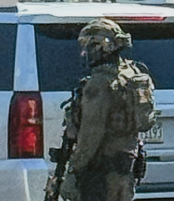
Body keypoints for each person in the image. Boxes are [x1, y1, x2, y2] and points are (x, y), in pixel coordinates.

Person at [61, 19, 156, 201]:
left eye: (89, 46)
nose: (84, 52)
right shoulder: (131, 73)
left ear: (103, 46)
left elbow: (90, 136)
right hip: (124, 169)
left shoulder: (100, 84)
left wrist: (73, 172)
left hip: (100, 173)